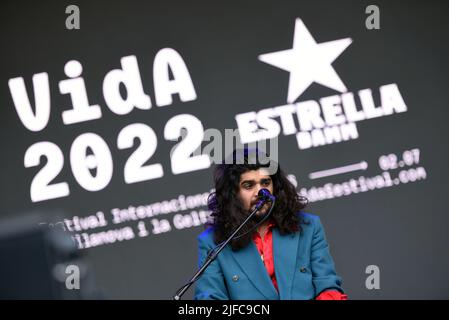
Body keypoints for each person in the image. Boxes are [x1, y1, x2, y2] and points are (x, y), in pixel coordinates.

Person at [194, 147, 347, 300]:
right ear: (232, 193)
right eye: (249, 185)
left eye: (265, 183)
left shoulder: (308, 227)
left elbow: (327, 285)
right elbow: (209, 297)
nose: (260, 192)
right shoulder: (212, 243)